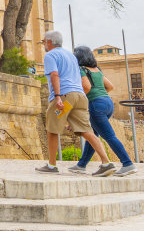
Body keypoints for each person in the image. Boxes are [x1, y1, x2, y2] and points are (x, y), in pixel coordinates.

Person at [38, 30, 110, 175]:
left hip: (64, 98)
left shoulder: (50, 55)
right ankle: (106, 163)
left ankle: (52, 165)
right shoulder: (71, 56)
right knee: (87, 131)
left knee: (52, 129)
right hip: (80, 97)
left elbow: (54, 74)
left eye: (44, 41)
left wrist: (57, 97)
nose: (43, 44)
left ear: (50, 42)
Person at [70, 46, 134, 177]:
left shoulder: (81, 69)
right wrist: (100, 95)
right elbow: (110, 86)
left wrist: (80, 100)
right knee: (93, 135)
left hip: (95, 105)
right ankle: (81, 165)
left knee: (109, 136)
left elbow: (86, 87)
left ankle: (127, 164)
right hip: (107, 103)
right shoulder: (97, 70)